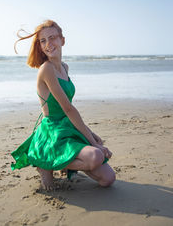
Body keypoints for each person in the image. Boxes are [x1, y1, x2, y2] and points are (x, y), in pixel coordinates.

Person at [11, 20, 116, 190]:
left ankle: (64, 163)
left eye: (52, 38)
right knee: (96, 155)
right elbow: (68, 108)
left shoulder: (65, 67)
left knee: (108, 179)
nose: (48, 44)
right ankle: (46, 164)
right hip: (52, 132)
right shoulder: (46, 69)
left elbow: (68, 112)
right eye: (43, 41)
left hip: (68, 125)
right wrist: (93, 142)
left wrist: (92, 134)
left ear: (62, 40)